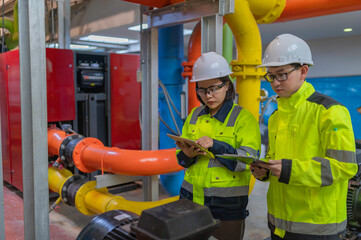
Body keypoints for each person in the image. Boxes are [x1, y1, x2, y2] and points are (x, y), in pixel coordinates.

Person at [250, 34, 358, 240]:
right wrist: (264, 171)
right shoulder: (275, 117)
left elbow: (344, 166)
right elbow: (277, 161)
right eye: (270, 76)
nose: (274, 83)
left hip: (316, 227)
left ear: (303, 71)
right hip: (278, 223)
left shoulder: (329, 111)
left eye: (281, 74)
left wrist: (290, 169)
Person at [175, 51, 261, 240]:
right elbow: (180, 159)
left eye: (214, 88)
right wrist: (187, 155)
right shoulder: (194, 115)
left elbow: (247, 162)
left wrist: (216, 145)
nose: (208, 95)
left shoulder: (243, 118)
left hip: (226, 206)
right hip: (190, 200)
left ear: (227, 85)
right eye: (202, 89)